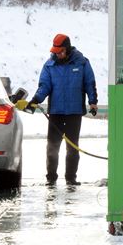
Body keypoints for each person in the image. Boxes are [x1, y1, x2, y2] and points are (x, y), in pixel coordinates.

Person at [27, 33, 98, 186]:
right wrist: (35, 100)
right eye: (55, 52)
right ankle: (51, 178)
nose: (57, 54)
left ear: (67, 49)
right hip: (56, 113)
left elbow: (89, 83)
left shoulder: (82, 63)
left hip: (74, 113)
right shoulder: (49, 65)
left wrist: (93, 102)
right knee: (52, 147)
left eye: (60, 51)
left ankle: (71, 178)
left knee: (72, 147)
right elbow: (44, 86)